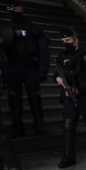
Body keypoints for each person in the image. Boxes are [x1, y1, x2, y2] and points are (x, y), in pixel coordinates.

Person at [54, 27, 86, 168]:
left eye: (68, 40)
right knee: (68, 126)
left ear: (76, 40)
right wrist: (59, 81)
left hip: (85, 96)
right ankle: (68, 156)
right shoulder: (62, 56)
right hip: (68, 96)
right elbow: (57, 74)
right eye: (63, 41)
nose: (66, 43)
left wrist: (78, 89)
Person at [4, 0, 50, 137]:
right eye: (11, 9)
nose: (13, 11)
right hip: (11, 66)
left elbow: (43, 50)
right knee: (13, 97)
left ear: (22, 9)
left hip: (29, 66)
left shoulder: (33, 28)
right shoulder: (4, 28)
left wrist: (43, 69)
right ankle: (17, 127)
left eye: (16, 9)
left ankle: (39, 125)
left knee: (34, 96)